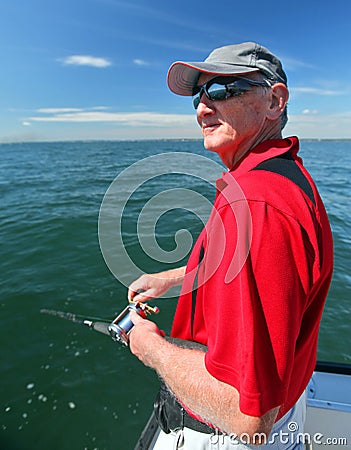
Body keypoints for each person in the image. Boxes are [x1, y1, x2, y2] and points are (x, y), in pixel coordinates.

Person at [128, 42, 334, 449]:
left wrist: (151, 347)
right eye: (199, 96)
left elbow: (248, 417)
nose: (204, 108)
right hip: (290, 412)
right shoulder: (281, 177)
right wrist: (172, 278)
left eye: (223, 90)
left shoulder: (257, 206)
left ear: (275, 101)